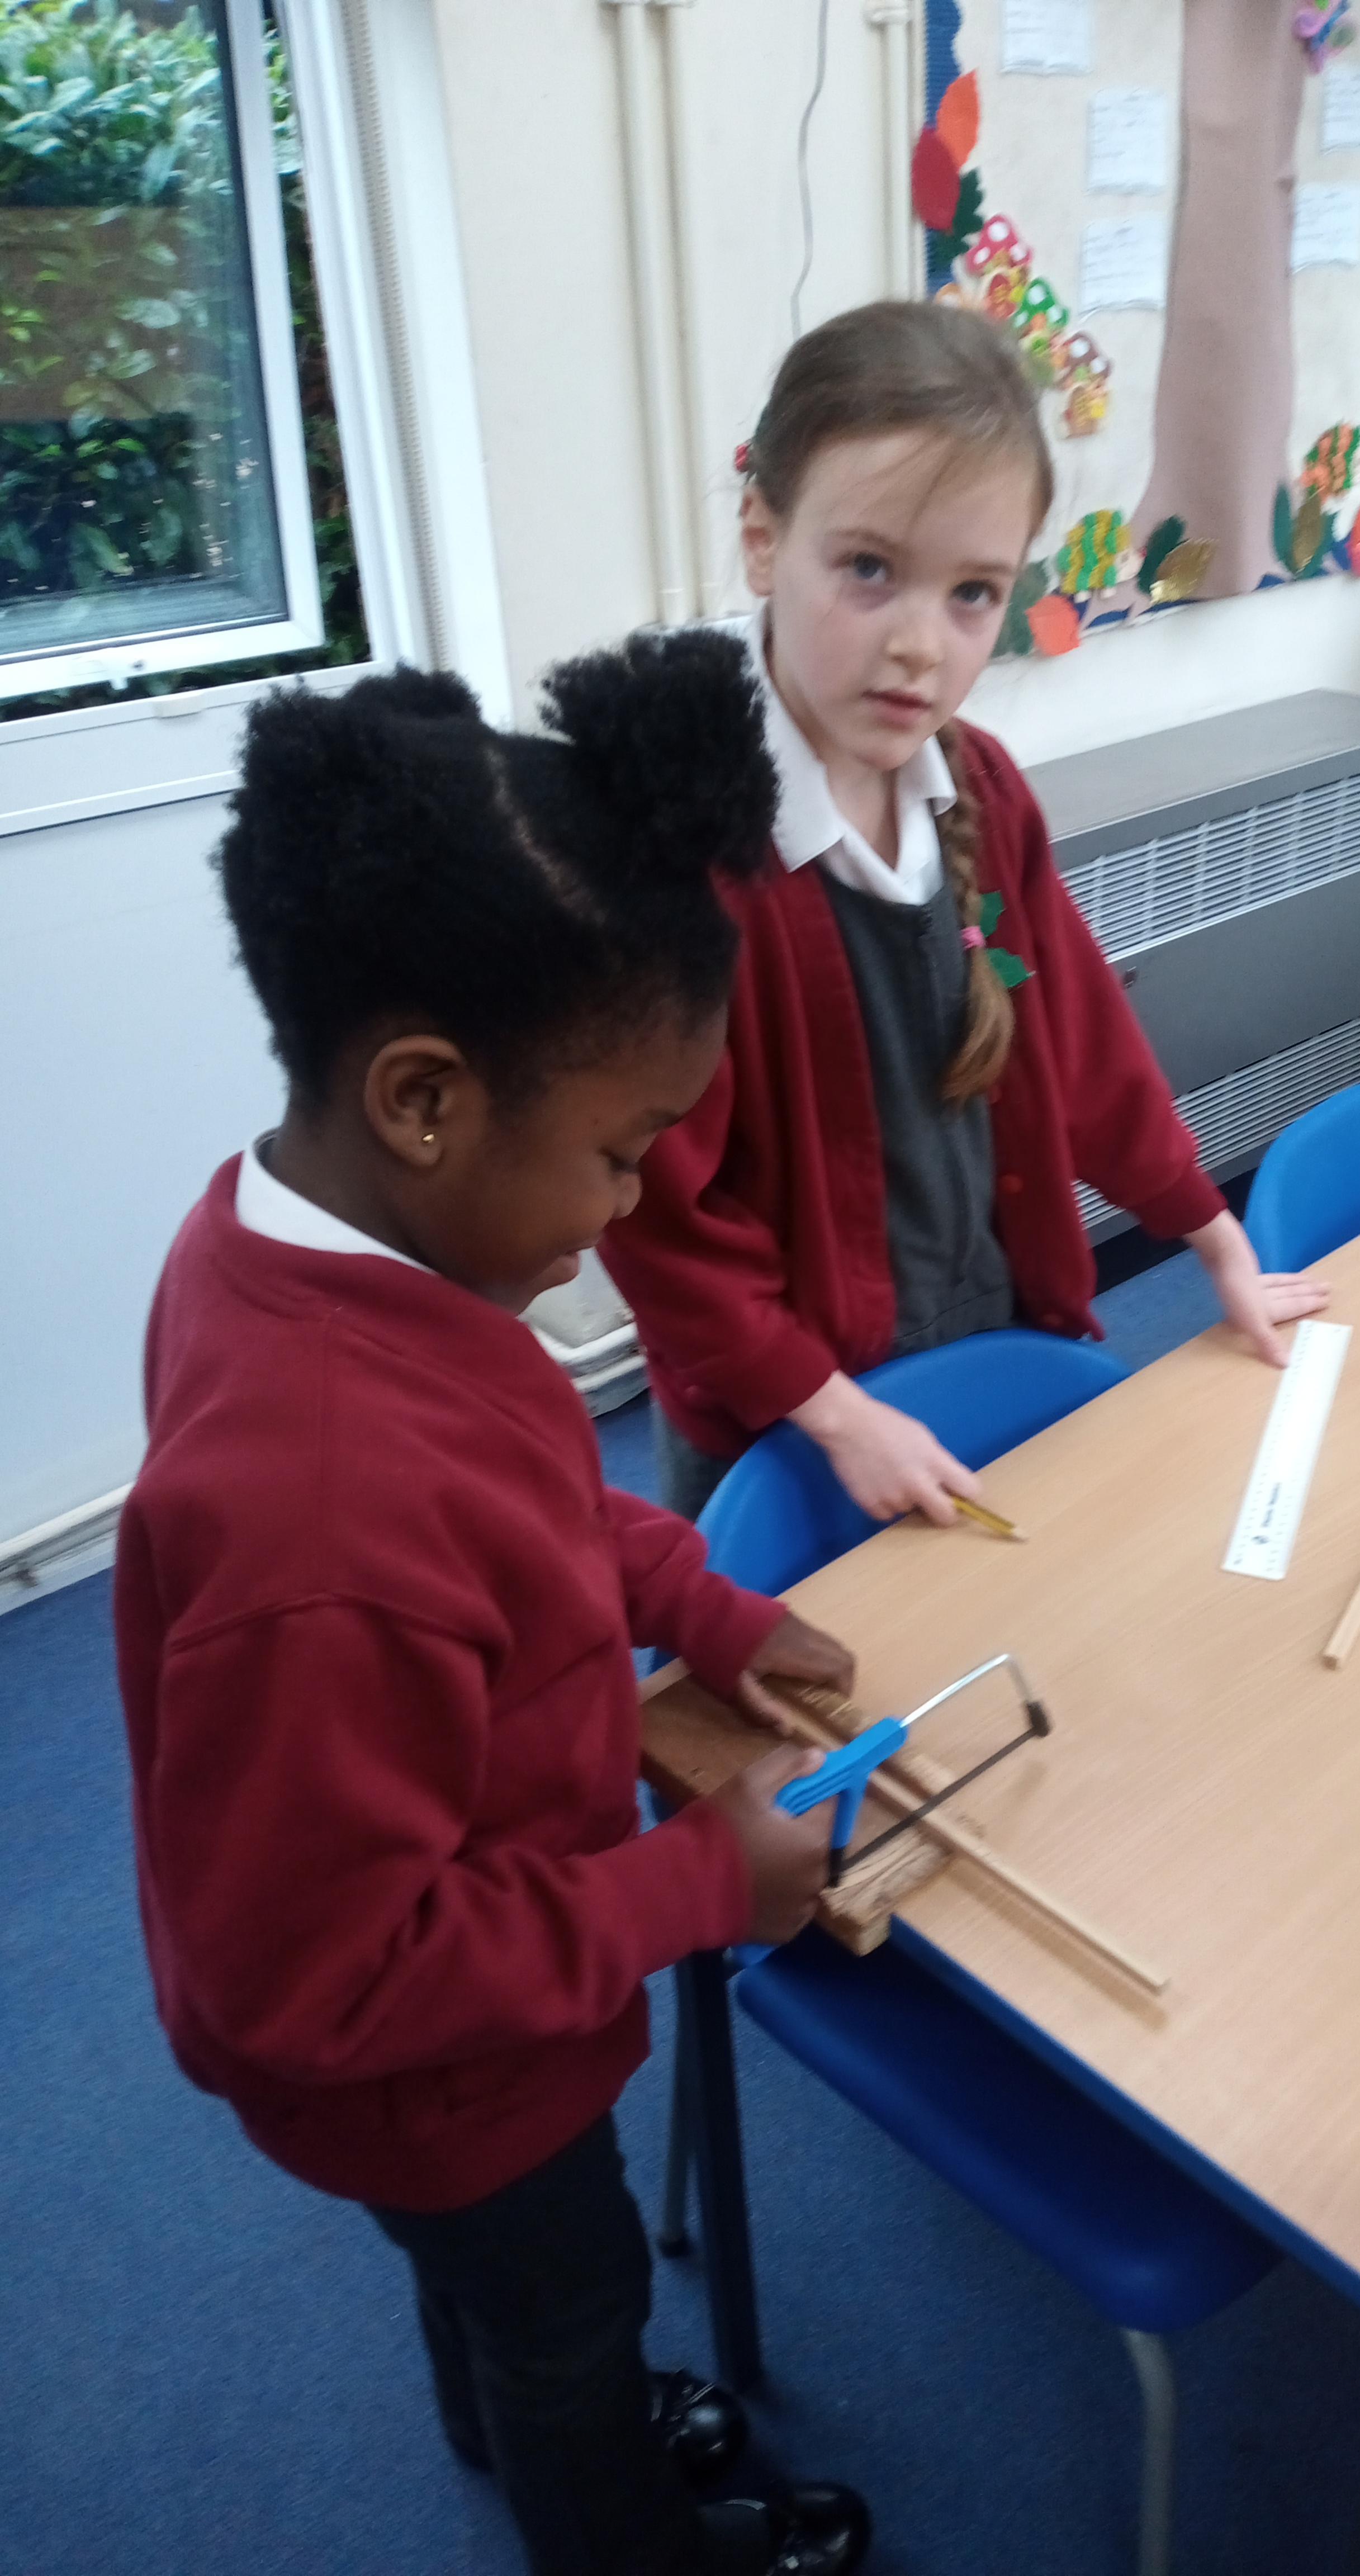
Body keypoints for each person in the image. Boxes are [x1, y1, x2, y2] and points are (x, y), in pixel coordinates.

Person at [112, 636, 872, 2576]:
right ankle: (606, 2515)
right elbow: (320, 1982)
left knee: (512, 2307)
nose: (628, 1206)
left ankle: (522, 2407)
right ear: (427, 1100)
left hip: (468, 2018)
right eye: (620, 1152)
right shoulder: (318, 1514)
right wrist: (695, 1883)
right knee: (565, 2298)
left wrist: (696, 1600)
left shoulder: (307, 1251)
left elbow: (516, 1504)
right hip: (448, 2082)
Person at [597, 301, 1330, 1527]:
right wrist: (837, 1415)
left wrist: (1214, 1240)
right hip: (785, 1424)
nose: (919, 648)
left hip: (985, 1327)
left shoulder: (980, 788)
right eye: (868, 570)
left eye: (974, 593)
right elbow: (657, 1216)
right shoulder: (681, 859)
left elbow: (1076, 1043)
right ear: (764, 541)